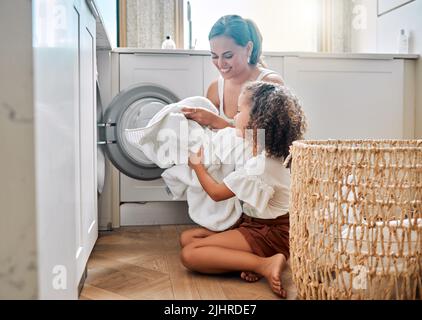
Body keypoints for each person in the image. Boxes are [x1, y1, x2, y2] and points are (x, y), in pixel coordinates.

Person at [179, 81, 307, 298]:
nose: (234, 117)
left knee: (189, 254)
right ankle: (251, 261)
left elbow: (217, 194)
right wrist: (219, 124)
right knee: (189, 238)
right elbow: (233, 130)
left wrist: (197, 166)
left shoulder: (261, 165)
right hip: (259, 225)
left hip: (272, 234)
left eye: (239, 111)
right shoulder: (268, 149)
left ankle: (264, 263)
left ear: (256, 122)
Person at [182, 15, 284, 129]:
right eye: (214, 56)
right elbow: (211, 138)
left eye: (228, 56)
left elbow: (266, 140)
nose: (220, 63)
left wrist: (215, 121)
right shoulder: (215, 89)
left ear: (248, 48)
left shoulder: (269, 83)